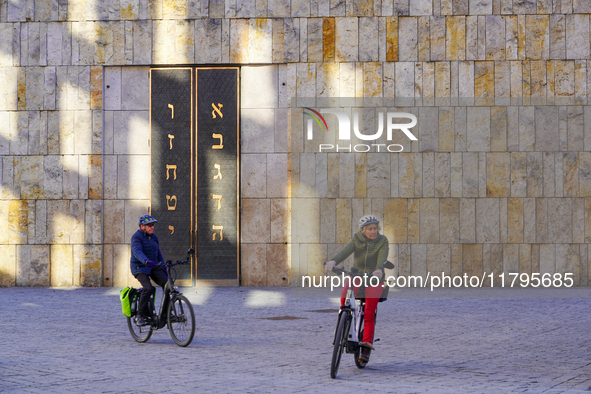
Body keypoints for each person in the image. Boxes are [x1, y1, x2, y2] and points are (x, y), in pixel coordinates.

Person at [325, 215, 389, 363]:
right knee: (343, 298)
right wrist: (333, 261)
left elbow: (382, 257)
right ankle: (345, 324)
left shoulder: (382, 241)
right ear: (363, 230)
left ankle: (366, 348)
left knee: (368, 313)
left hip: (374, 279)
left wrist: (379, 269)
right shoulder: (356, 239)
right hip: (357, 276)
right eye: (370, 229)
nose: (373, 231)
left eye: (375, 228)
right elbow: (345, 251)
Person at [130, 215, 168, 326]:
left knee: (168, 285)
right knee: (148, 288)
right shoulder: (136, 237)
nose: (152, 227)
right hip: (139, 267)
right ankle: (140, 316)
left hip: (152, 266)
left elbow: (158, 253)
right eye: (149, 225)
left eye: (153, 225)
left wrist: (163, 265)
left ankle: (167, 313)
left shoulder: (154, 237)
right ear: (142, 227)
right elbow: (137, 252)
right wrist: (146, 261)